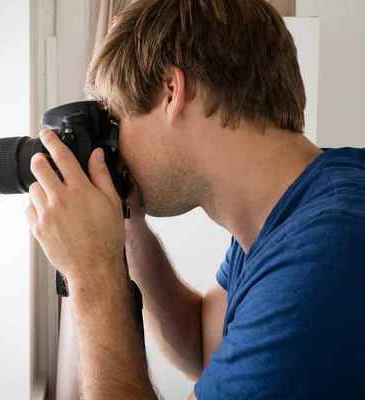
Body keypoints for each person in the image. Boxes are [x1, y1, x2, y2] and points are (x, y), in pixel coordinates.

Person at [25, 0, 365, 399]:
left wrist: (91, 274)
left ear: (172, 91)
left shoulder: (325, 252)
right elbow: (206, 348)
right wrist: (128, 234)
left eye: (117, 123)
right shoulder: (299, 207)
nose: (114, 150)